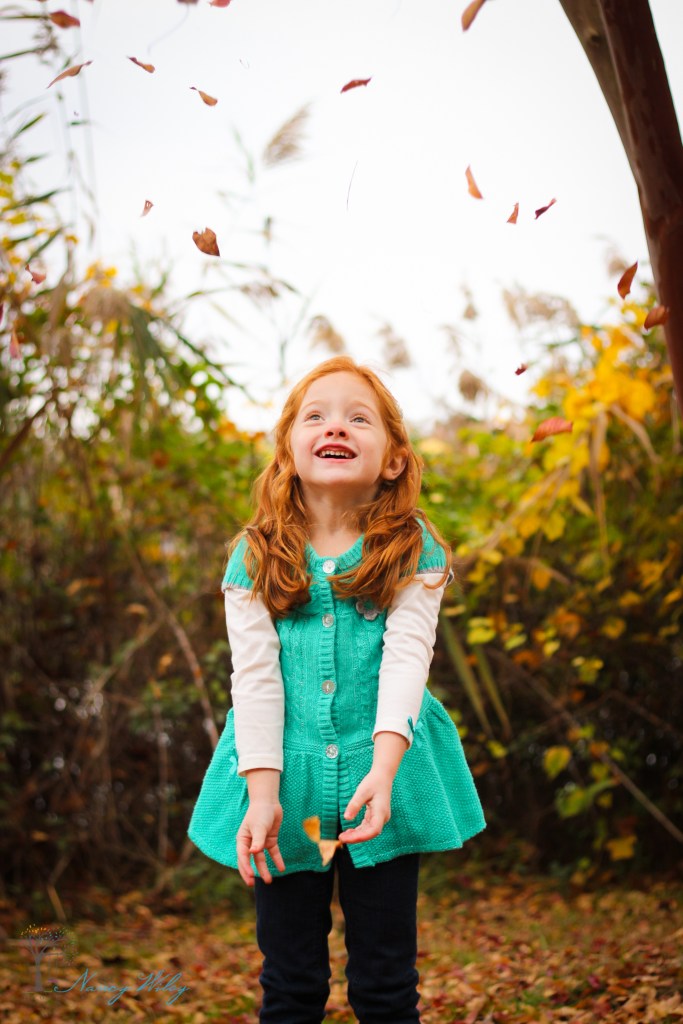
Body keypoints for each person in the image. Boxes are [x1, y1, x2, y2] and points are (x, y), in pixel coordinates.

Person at [188, 355, 486, 1024]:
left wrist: (384, 770)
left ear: (394, 460)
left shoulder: (411, 548)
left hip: (381, 776)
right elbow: (255, 681)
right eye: (316, 416)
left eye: (359, 418)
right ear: (289, 451)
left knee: (384, 982)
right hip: (284, 785)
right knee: (291, 982)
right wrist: (261, 796)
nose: (336, 426)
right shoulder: (256, 554)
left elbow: (407, 661)